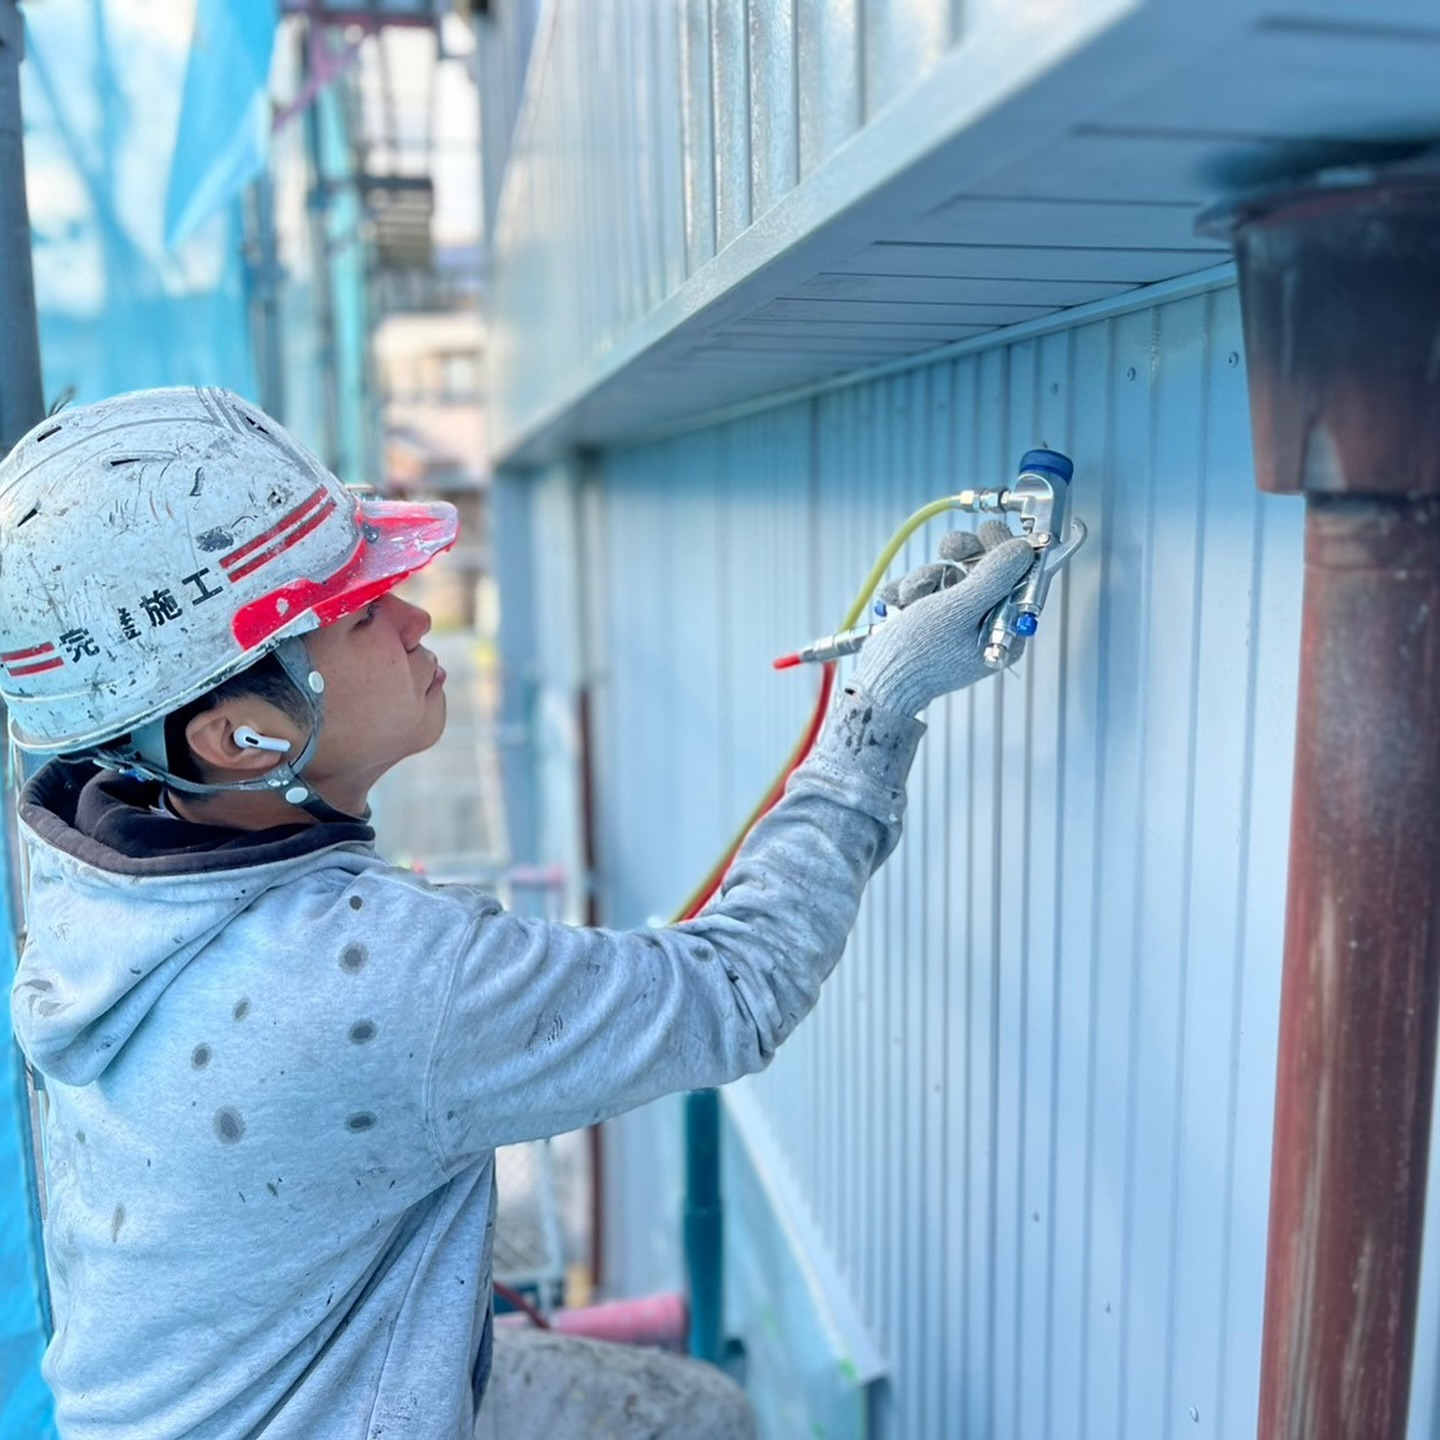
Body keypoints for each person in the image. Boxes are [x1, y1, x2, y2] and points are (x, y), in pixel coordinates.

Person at [4, 387, 1035, 1439]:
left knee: (692, 1413)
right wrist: (879, 708)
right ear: (241, 741)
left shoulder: (99, 877)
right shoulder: (367, 977)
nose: (417, 616)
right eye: (363, 613)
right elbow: (734, 989)